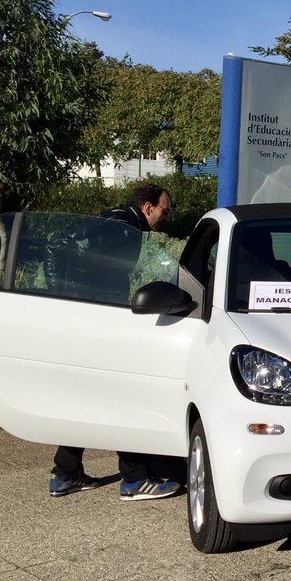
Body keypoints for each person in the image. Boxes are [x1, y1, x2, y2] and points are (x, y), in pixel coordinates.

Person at [48, 183, 182, 501]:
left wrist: (65, 295)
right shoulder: (122, 226)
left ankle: (65, 473)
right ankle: (135, 479)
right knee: (125, 392)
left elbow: (64, 245)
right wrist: (64, 293)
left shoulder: (118, 221)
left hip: (89, 316)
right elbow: (56, 243)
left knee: (87, 393)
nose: (166, 217)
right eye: (165, 210)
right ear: (148, 207)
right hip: (100, 318)